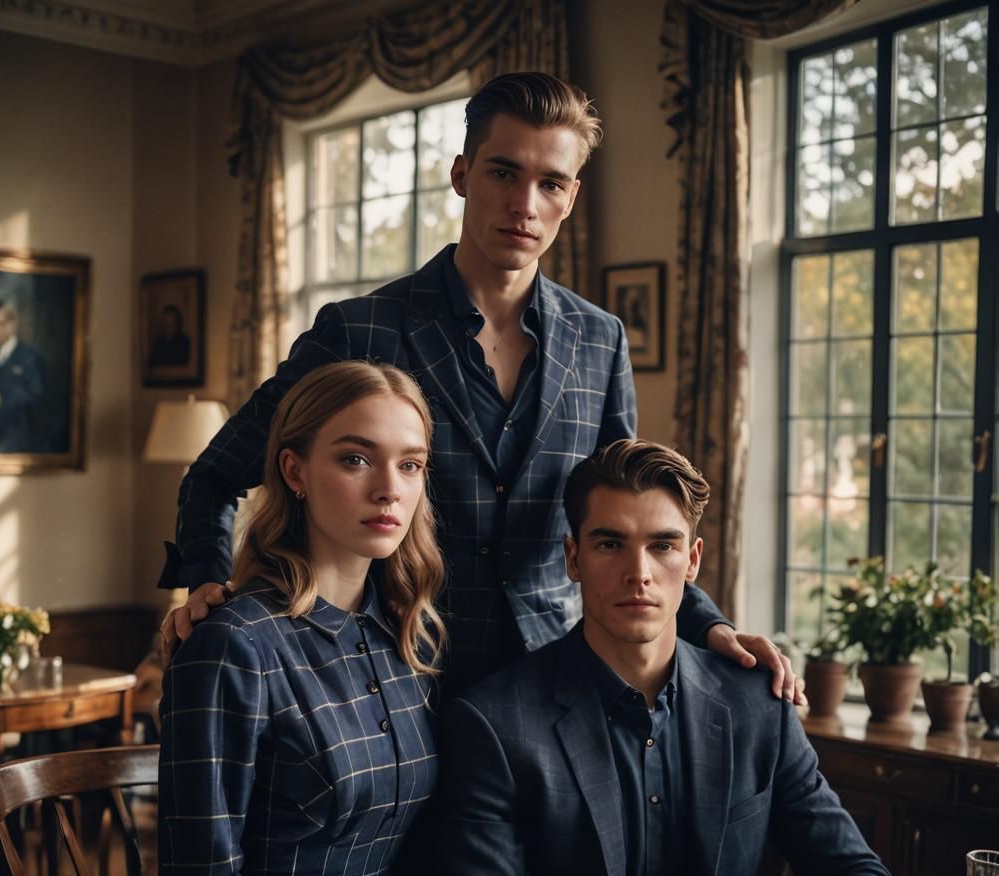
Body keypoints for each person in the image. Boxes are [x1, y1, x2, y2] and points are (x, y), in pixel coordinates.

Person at [158, 71, 800, 701]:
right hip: (389, 681)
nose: (524, 204)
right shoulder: (360, 330)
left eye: (549, 183)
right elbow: (213, 476)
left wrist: (709, 625)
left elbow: (628, 520)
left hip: (550, 688)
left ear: (571, 197)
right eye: (503, 172)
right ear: (463, 175)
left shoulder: (599, 340)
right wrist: (208, 582)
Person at [431, 440, 893, 876]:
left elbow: (856, 873)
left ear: (692, 561)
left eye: (663, 545)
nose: (639, 574)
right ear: (573, 558)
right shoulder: (494, 724)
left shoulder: (759, 704)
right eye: (610, 544)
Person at [122, 361, 446, 876]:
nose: (390, 489)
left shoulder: (409, 635)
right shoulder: (233, 645)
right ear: (294, 471)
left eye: (410, 465)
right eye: (357, 459)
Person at [0, 299, 46, 454]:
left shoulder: (30, 358)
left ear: (12, 324)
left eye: (0, 324)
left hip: (16, 447)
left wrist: (0, 400)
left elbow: (37, 398)